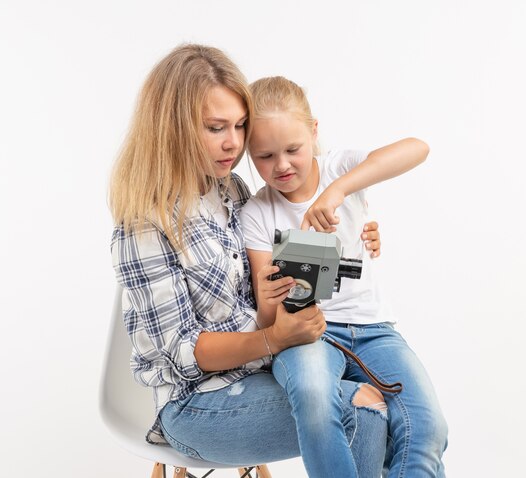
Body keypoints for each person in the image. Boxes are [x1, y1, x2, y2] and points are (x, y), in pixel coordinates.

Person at [108, 44, 388, 478]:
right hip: (196, 404)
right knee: (362, 409)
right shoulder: (144, 222)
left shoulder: (232, 190)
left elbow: (285, 257)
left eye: (240, 126)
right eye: (216, 127)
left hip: (263, 371)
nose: (234, 143)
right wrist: (274, 339)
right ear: (173, 128)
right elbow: (181, 352)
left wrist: (355, 234)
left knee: (388, 402)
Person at [240, 76, 448, 478]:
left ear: (313, 132)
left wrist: (336, 192)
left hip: (373, 328)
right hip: (307, 332)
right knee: (317, 399)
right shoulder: (257, 213)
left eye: (293, 150)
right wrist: (269, 294)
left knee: (427, 425)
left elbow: (417, 148)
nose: (281, 165)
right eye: (264, 156)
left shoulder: (341, 167)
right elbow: (268, 320)